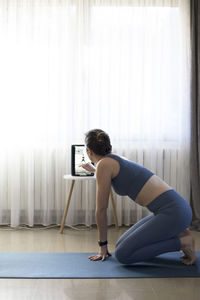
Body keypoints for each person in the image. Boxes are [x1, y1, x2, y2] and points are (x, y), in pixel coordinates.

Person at [81, 129, 196, 265]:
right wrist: (94, 170)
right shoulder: (114, 160)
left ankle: (183, 242)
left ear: (89, 151)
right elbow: (118, 177)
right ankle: (179, 233)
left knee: (123, 255)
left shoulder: (103, 165)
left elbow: (101, 210)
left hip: (173, 213)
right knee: (121, 245)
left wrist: (103, 246)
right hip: (177, 209)